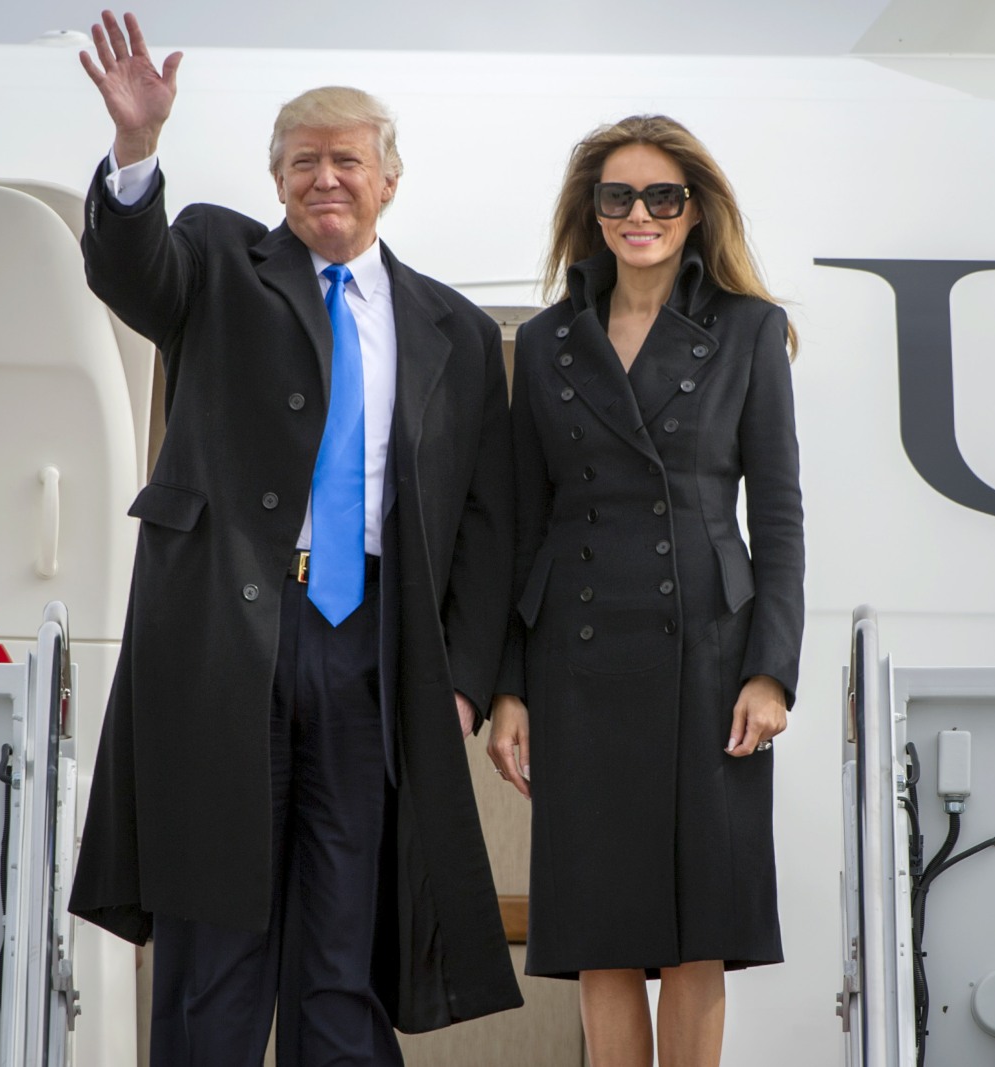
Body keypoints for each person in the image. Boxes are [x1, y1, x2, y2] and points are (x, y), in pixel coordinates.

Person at [68, 11, 521, 1065]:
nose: (326, 178)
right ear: (275, 179)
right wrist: (137, 150)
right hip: (230, 641)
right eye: (303, 161)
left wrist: (455, 674)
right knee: (215, 931)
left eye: (347, 161)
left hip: (372, 647)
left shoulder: (450, 325)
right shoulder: (220, 263)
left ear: (387, 181)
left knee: (346, 935)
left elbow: (483, 525)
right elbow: (132, 271)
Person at [488, 114, 805, 1067]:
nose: (640, 214)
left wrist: (772, 673)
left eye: (661, 196)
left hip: (710, 655)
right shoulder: (546, 342)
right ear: (593, 211)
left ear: (693, 209)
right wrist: (511, 686)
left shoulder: (750, 329)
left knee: (699, 933)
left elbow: (779, 516)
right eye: (619, 196)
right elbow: (521, 523)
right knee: (601, 939)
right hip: (578, 663)